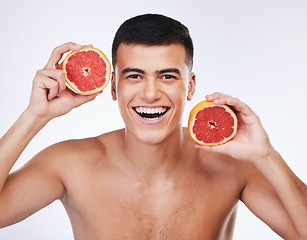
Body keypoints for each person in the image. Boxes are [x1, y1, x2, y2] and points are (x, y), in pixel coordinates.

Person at [0, 13, 306, 240]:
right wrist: (35, 116)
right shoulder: (69, 164)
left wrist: (266, 156)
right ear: (113, 87)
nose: (150, 93)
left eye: (168, 76)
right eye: (134, 76)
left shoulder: (234, 166)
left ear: (190, 86)